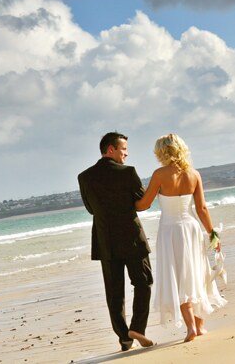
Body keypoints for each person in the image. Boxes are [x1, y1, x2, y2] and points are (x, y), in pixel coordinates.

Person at [136, 133, 227, 342]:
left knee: (177, 276)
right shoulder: (194, 174)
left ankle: (190, 328)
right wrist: (213, 233)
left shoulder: (159, 174)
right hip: (192, 228)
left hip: (170, 231)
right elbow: (202, 208)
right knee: (195, 273)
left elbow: (143, 204)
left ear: (162, 152)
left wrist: (125, 204)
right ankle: (200, 326)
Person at [78, 132, 154, 351]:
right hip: (131, 238)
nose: (126, 154)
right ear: (110, 150)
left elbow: (90, 209)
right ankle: (137, 327)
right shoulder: (128, 172)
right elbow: (142, 203)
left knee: (114, 292)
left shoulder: (84, 177)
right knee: (143, 282)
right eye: (123, 149)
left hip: (105, 240)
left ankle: (124, 337)